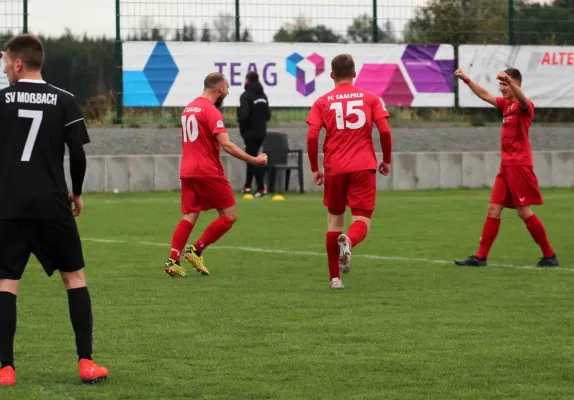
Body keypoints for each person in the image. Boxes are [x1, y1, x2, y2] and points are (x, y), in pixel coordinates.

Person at [0, 34, 108, 386]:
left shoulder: (1, 100)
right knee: (74, 278)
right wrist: (76, 193)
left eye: (6, 61)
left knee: (6, 283)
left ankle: (6, 369)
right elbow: (78, 153)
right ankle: (86, 363)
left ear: (18, 63)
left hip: (9, 204)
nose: (4, 67)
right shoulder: (64, 100)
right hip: (52, 203)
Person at [165, 72, 268, 277]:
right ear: (219, 88)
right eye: (227, 89)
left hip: (188, 170)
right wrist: (254, 160)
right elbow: (227, 145)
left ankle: (173, 260)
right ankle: (196, 250)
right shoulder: (210, 111)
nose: (228, 93)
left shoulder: (189, 108)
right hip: (208, 170)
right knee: (229, 216)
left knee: (190, 215)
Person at [454, 68, 558, 267]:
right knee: (493, 208)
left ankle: (550, 255)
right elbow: (485, 95)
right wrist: (466, 79)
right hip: (506, 166)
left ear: (515, 85)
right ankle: (480, 257)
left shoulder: (524, 106)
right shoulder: (506, 106)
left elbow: (524, 101)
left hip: (519, 165)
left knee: (523, 211)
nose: (501, 88)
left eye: (505, 85)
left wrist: (510, 81)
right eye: (501, 85)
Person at [306, 54, 393, 289]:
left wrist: (315, 168)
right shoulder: (371, 98)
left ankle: (335, 279)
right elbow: (385, 131)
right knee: (361, 221)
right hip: (363, 166)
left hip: (334, 167)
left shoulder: (322, 102)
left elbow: (312, 136)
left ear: (332, 75)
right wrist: (386, 159)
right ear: (354, 73)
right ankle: (350, 241)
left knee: (335, 223)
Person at [237, 71, 271, 197]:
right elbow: (268, 116)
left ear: (247, 81)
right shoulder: (263, 95)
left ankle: (261, 188)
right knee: (252, 158)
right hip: (261, 133)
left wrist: (242, 126)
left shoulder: (245, 96)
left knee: (253, 160)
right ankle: (248, 186)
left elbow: (244, 115)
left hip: (250, 133)